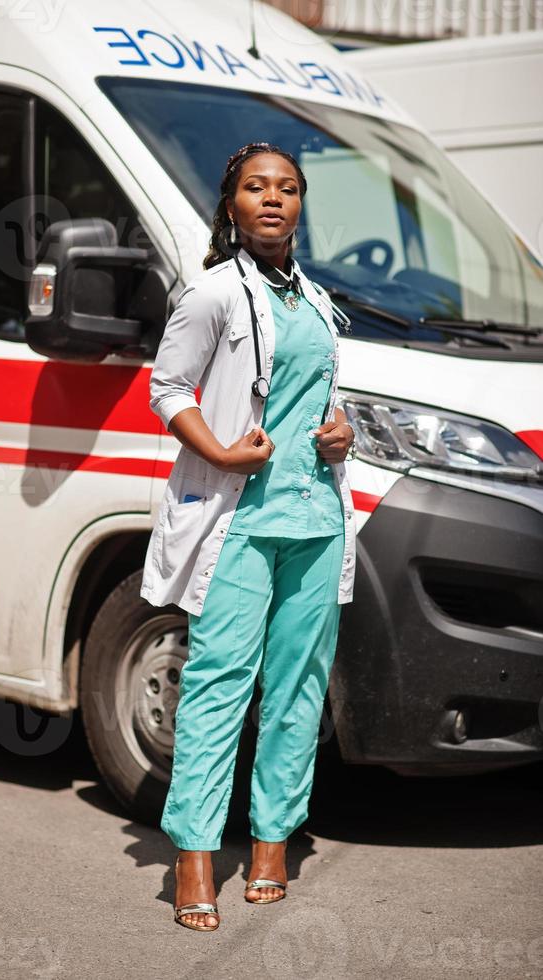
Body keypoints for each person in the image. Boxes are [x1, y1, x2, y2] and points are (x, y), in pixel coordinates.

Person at [140, 141, 356, 932]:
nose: (274, 200)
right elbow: (166, 388)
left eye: (289, 189)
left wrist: (343, 433)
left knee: (298, 687)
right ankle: (194, 854)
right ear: (231, 204)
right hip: (238, 520)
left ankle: (271, 842)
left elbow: (327, 403)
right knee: (219, 684)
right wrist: (221, 450)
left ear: (301, 204)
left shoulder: (318, 302)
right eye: (257, 188)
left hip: (317, 516)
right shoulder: (210, 294)